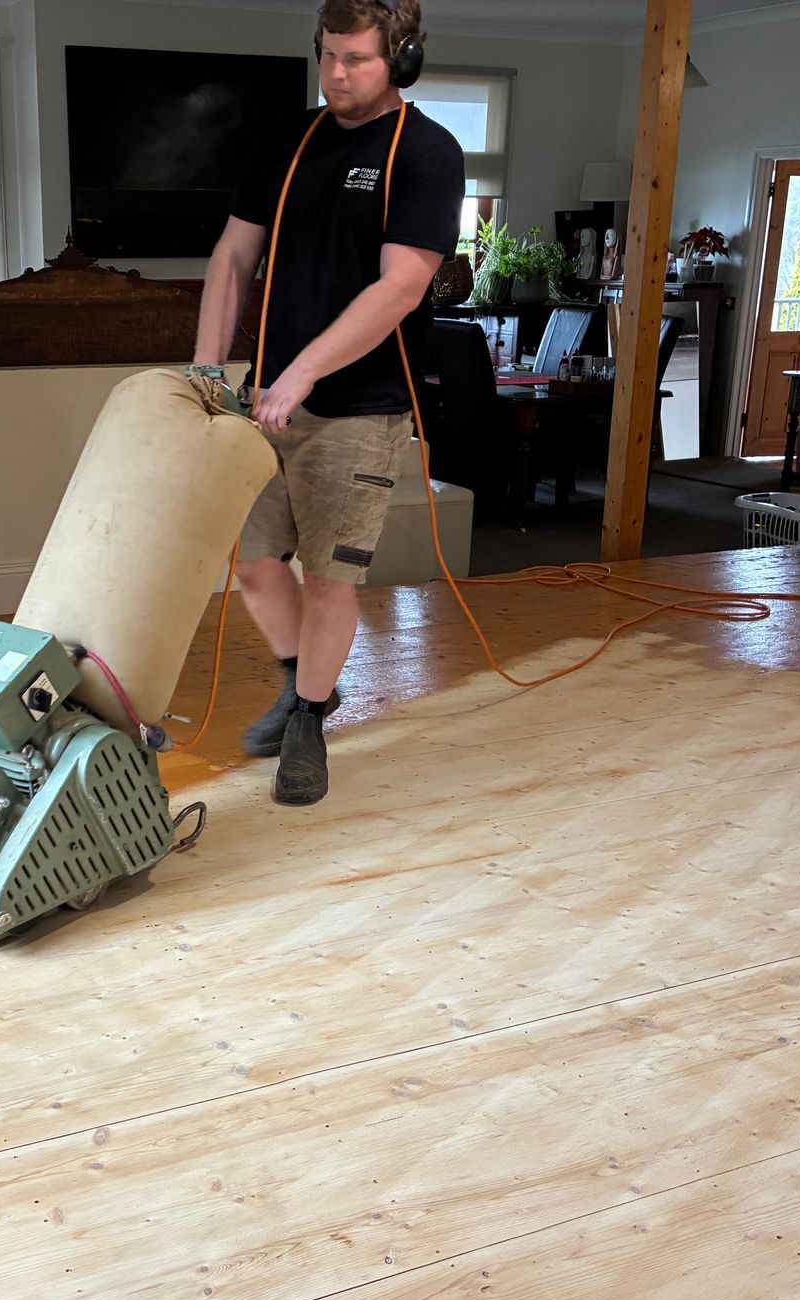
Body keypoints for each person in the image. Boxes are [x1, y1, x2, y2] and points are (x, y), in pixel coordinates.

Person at [193, 0, 463, 806]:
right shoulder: (288, 140)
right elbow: (233, 256)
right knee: (250, 563)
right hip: (265, 400)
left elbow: (401, 287)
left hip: (361, 407)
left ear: (402, 59)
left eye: (359, 60)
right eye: (328, 56)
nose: (338, 75)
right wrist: (208, 372)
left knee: (330, 579)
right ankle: (299, 681)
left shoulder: (426, 153)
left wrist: (304, 372)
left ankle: (308, 722)